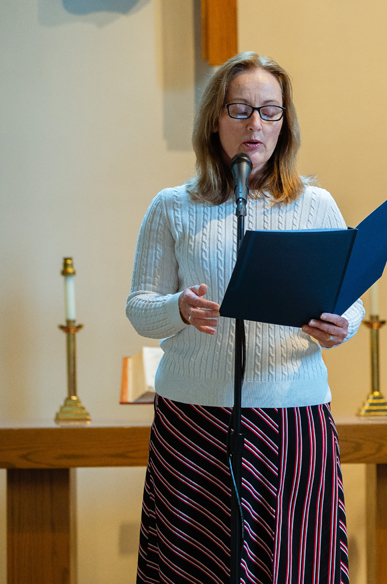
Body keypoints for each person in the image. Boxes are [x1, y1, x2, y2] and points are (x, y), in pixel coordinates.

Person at [126, 51, 363, 584]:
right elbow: (140, 308)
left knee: (294, 565)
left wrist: (340, 325)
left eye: (269, 111)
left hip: (293, 420)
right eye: (240, 109)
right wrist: (177, 308)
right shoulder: (173, 206)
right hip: (194, 420)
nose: (255, 124)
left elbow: (350, 303)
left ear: (284, 122)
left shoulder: (316, 205)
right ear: (215, 119)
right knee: (196, 567)